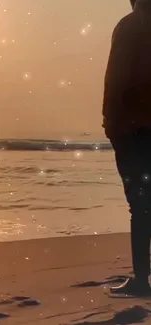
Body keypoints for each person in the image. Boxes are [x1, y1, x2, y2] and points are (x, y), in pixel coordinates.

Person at [102, 0, 151, 296]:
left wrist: (109, 120)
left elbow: (116, 77)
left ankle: (141, 280)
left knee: (141, 206)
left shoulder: (130, 26)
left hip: (133, 128)